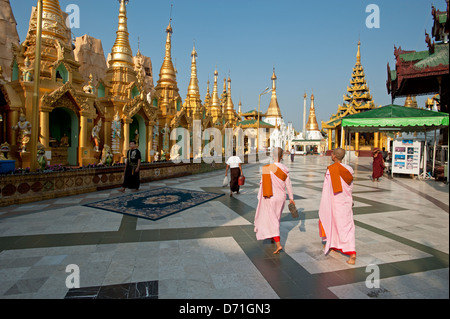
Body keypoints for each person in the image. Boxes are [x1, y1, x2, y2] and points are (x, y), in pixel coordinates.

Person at [318, 148, 356, 265]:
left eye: (332, 154)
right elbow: (350, 186)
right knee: (346, 225)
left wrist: (324, 203)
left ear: (334, 156)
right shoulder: (349, 169)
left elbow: (327, 189)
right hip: (346, 200)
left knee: (335, 223)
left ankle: (352, 253)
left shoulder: (331, 170)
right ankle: (334, 244)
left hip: (335, 202)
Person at [254, 147, 295, 254]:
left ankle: (278, 243)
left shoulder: (267, 168)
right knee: (276, 218)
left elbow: (262, 184)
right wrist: (291, 198)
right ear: (282, 156)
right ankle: (272, 236)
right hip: (281, 197)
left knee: (273, 220)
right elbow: (289, 185)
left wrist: (260, 197)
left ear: (273, 155)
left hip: (270, 196)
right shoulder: (285, 168)